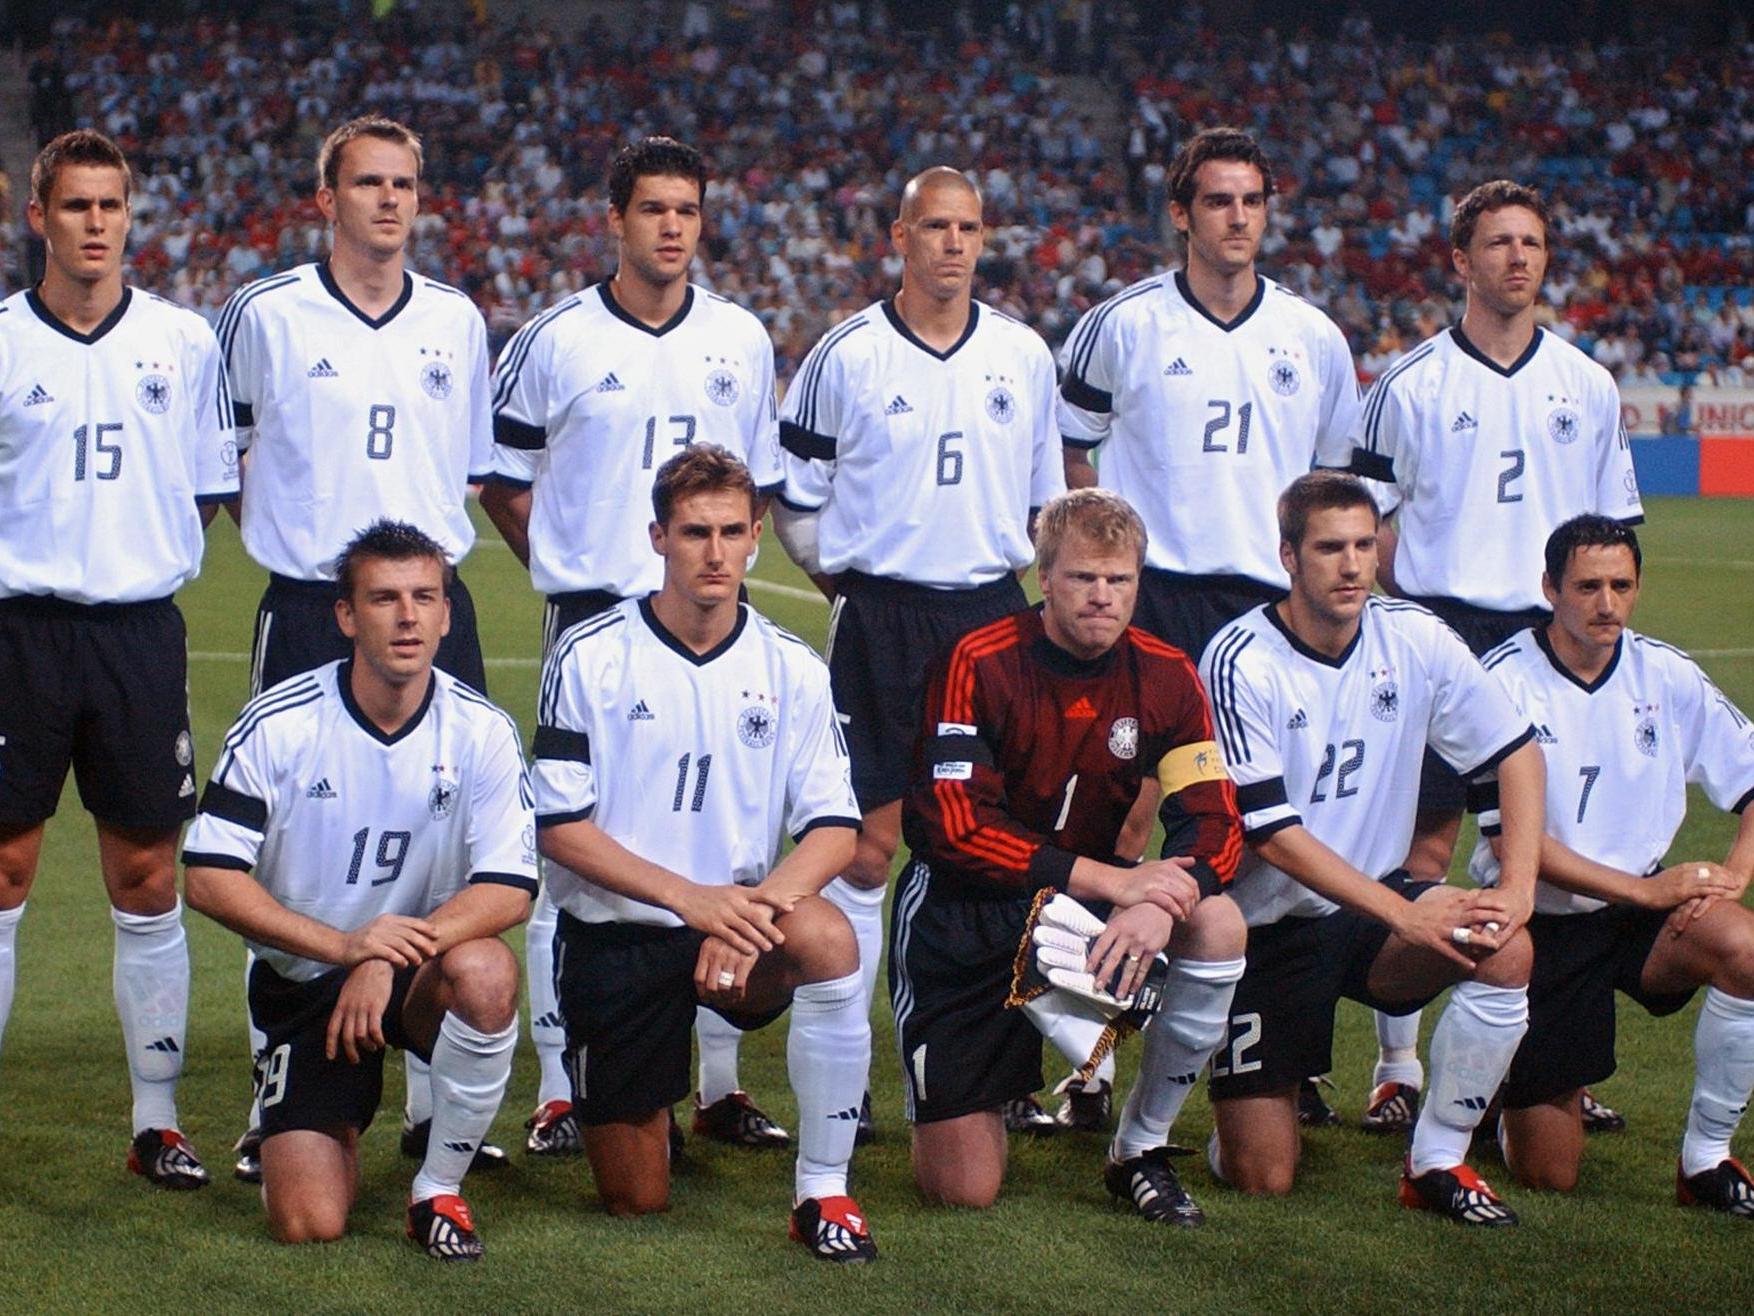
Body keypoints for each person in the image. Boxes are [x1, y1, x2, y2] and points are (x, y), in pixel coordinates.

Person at [482, 136, 789, 1157]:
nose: (670, 226)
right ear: (613, 220)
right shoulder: (555, 337)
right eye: (652, 208)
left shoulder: (741, 338)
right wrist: (567, 568)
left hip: (713, 629)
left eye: (687, 210)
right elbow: (502, 473)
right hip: (597, 628)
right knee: (570, 853)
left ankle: (715, 1082)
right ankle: (559, 1081)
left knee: (720, 838)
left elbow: (753, 483)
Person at [1056, 127, 1361, 1127]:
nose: (1237, 218)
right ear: (1181, 213)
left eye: (1251, 201)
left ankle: (1273, 1041)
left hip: (1268, 614)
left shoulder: (1311, 337)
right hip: (1158, 600)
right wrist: (1112, 574)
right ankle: (1085, 1049)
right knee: (1123, 820)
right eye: (1217, 201)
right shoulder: (1122, 325)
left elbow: (1326, 487)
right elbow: (1072, 454)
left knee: (1273, 826)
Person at [216, 114, 500, 1181]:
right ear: (324, 197)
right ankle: (274, 1076)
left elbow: (467, 468)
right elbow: (223, 452)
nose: (389, 200)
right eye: (368, 183)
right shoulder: (264, 314)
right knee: (282, 842)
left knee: (447, 837)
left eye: (405, 184)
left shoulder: (458, 320)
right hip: (306, 605)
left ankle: (436, 1098)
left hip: (434, 604)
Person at [1343, 180, 1644, 1134]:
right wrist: (1417, 628)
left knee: (1555, 861)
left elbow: (1613, 532)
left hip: (1549, 641)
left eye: (1533, 242)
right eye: (1499, 242)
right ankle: (1396, 1064)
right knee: (1420, 849)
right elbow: (1368, 531)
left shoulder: (1588, 385)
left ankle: (1549, 1063)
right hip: (1446, 638)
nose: (1518, 257)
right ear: (1461, 260)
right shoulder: (1409, 384)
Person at [770, 165, 1064, 1132]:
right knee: (867, 849)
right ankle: (847, 1078)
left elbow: (1041, 501)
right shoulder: (846, 354)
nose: (951, 243)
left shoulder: (1022, 354)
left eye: (968, 227)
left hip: (990, 616)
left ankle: (991, 1068)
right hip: (882, 618)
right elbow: (796, 503)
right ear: (898, 235)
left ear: (985, 238)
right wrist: (849, 588)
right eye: (933, 226)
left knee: (997, 843)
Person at [532, 445, 875, 1261]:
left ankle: (824, 1191)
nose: (714, 552)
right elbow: (559, 827)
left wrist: (746, 913)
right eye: (694, 532)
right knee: (636, 1199)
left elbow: (835, 827)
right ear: (658, 537)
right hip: (617, 939)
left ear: (757, 534)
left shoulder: (790, 665)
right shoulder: (589, 655)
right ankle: (646, 1105)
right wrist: (694, 900)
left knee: (828, 935)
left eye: (731, 531)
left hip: (741, 934)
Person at [183, 520, 535, 1259]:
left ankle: (437, 1188)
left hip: (420, 975)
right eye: (383, 598)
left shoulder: (482, 732)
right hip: (310, 980)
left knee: (489, 969)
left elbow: (509, 888)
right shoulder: (277, 725)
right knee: (309, 1222)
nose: (407, 617)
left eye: (424, 597)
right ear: (346, 615)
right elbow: (208, 877)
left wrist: (384, 954)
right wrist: (346, 947)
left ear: (447, 613)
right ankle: (319, 1105)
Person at [1202, 472, 1545, 1225]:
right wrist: (1407, 911)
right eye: (1330, 548)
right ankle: (1240, 1095)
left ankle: (1436, 1160)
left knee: (1505, 948)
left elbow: (1515, 754)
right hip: (1266, 931)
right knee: (1262, 1177)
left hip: (1369, 913)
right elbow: (1274, 836)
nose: (1353, 564)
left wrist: (1518, 887)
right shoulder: (1239, 658)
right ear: (1288, 556)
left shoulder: (1414, 635)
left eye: (1364, 544)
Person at [893, 487, 1245, 1220]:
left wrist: (1159, 900)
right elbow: (955, 828)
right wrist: (1118, 883)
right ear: (1042, 577)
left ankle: (1140, 1148)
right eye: (1083, 577)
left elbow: (1217, 823)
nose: (1102, 597)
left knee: (1217, 925)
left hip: (1088, 910)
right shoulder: (977, 661)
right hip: (968, 915)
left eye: (1119, 580)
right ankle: (996, 1073)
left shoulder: (1168, 673)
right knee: (962, 1192)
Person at [0, 129, 237, 1188]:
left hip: (141, 632)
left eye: (111, 206)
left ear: (129, 216)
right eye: (75, 205)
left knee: (147, 877)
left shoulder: (182, 342)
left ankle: (156, 1118)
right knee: (3, 869)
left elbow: (203, 488)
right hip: (18, 633)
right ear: (37, 216)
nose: (95, 224)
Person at [1468, 516, 1754, 1214]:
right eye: (1587, 586)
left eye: (1620, 586)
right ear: (1549, 589)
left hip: (1642, 915)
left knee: (1746, 947)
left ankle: (1705, 1161)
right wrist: (1647, 888)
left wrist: (1734, 876)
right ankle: (1495, 1090)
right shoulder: (1502, 682)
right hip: (1545, 923)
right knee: (1549, 1174)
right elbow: (1515, 847)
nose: (1606, 604)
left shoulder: (1665, 673)